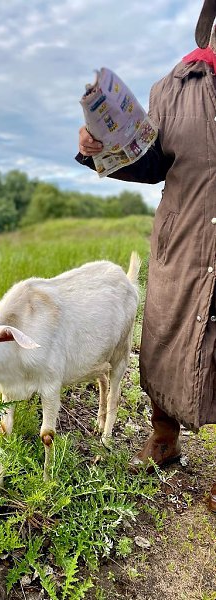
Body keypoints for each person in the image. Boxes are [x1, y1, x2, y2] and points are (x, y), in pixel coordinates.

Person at [76, 0, 216, 512]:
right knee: (165, 335)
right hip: (184, 241)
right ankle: (163, 438)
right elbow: (150, 160)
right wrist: (101, 146)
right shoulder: (171, 89)